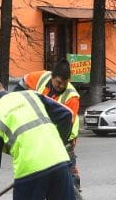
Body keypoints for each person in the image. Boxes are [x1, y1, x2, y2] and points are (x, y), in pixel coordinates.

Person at [21, 59, 82, 189]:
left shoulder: (72, 97)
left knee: (67, 169)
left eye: (64, 84)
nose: (61, 86)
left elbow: (66, 126)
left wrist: (56, 146)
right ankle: (46, 199)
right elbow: (22, 83)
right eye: (58, 82)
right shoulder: (42, 78)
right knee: (42, 170)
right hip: (44, 135)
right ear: (52, 77)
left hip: (66, 138)